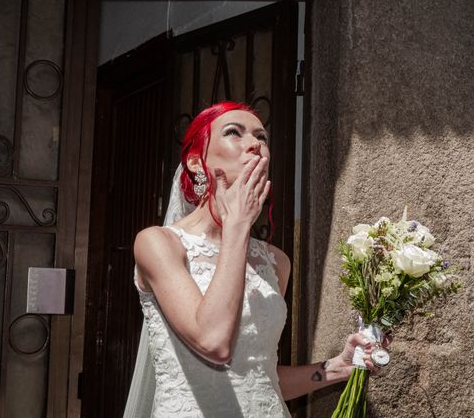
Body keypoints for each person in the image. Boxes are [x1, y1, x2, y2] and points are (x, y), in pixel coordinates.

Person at [124, 101, 384, 417]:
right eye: (234, 132)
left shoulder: (275, 262)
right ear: (196, 162)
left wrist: (336, 368)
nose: (254, 144)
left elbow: (262, 379)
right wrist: (237, 226)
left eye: (261, 137)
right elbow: (214, 343)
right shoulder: (159, 244)